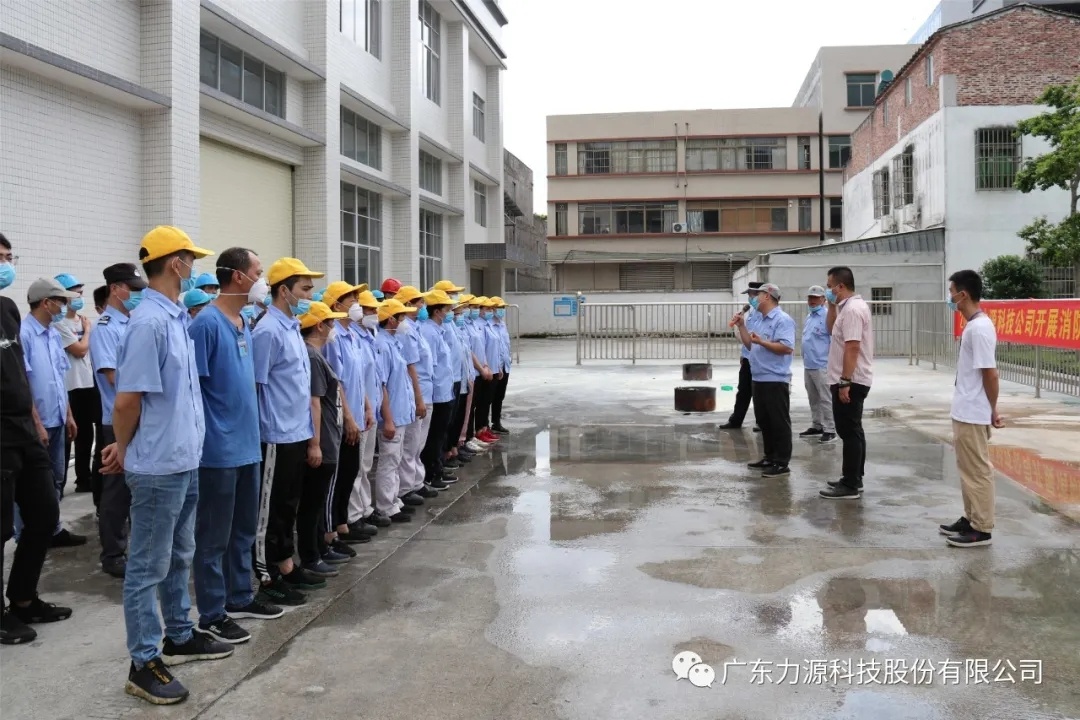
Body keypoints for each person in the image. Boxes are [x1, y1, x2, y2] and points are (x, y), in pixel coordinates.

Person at [102, 226, 233, 705]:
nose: (194, 266)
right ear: (174, 263)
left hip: (183, 457)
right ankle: (143, 661)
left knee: (180, 553)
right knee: (147, 566)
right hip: (158, 465)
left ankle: (178, 634)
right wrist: (124, 448)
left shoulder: (174, 317)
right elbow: (127, 400)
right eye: (190, 259)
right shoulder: (149, 323)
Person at [188, 248, 283, 646]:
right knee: (213, 536)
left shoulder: (243, 322)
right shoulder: (206, 325)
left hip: (247, 444)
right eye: (258, 272)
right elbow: (194, 390)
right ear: (239, 277)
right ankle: (212, 613)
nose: (263, 280)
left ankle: (240, 596)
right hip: (218, 449)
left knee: (243, 529)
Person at [1, 233, 72, 646]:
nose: (6, 265)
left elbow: (19, 374)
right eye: (0, 257)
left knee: (44, 514)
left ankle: (23, 599)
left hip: (24, 431)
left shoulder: (7, 309)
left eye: (8, 257)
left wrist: (35, 422)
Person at [251, 257, 326, 606]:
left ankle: (286, 564)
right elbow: (255, 385)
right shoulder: (267, 331)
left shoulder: (291, 327)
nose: (310, 295)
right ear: (284, 290)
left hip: (296, 432)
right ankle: (267, 576)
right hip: (276, 435)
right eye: (305, 289)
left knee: (288, 506)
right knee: (271, 510)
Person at [89, 264, 148, 578]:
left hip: (140, 414)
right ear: (115, 289)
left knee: (138, 486)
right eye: (133, 289)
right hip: (117, 419)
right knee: (117, 490)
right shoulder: (106, 328)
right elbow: (113, 377)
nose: (138, 295)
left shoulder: (133, 322)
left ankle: (136, 547)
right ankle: (112, 554)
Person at [17, 278, 85, 547]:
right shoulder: (23, 335)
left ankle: (52, 530)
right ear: (46, 303)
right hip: (38, 423)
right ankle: (26, 536)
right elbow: (23, 384)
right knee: (31, 485)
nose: (64, 306)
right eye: (61, 301)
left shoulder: (53, 334)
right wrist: (36, 423)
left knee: (56, 478)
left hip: (57, 419)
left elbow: (59, 378)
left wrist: (68, 415)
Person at [940, 270, 1003, 548]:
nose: (950, 297)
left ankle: (981, 528)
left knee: (977, 470)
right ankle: (971, 517)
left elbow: (990, 373)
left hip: (973, 411)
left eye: (951, 292)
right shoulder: (973, 326)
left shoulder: (980, 328)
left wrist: (993, 409)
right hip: (965, 409)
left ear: (963, 295)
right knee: (967, 469)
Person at [320, 281, 375, 551]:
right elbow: (337, 382)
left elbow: (358, 378)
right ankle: (332, 529)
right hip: (342, 418)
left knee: (351, 470)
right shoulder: (334, 338)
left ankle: (343, 523)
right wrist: (349, 418)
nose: (357, 305)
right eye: (351, 300)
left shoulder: (351, 334)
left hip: (356, 412)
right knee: (339, 475)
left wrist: (366, 406)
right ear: (336, 304)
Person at [297, 301, 350, 578]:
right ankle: (311, 554)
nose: (333, 328)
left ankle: (320, 549)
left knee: (317, 501)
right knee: (312, 503)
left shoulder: (316, 354)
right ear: (319, 326)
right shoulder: (312, 356)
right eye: (330, 323)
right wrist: (315, 443)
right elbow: (314, 402)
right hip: (324, 439)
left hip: (330, 435)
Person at [819, 266, 875, 501]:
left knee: (848, 431)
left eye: (829, 286)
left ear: (840, 286)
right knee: (853, 430)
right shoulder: (846, 308)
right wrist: (832, 305)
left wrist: (845, 381)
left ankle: (850, 483)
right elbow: (831, 329)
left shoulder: (852, 310)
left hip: (850, 380)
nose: (827, 290)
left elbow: (852, 347)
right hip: (849, 378)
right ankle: (854, 478)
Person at [734, 283, 795, 479]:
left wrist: (762, 342)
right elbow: (750, 345)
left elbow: (786, 348)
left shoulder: (782, 320)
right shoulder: (759, 319)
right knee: (764, 421)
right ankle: (769, 457)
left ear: (767, 296)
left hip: (775, 378)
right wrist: (741, 326)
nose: (754, 299)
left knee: (778, 422)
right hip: (758, 376)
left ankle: (782, 462)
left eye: (757, 295)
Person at [55, 273, 102, 496]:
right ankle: (60, 481)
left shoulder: (82, 320)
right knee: (68, 436)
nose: (79, 298)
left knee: (86, 434)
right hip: (69, 385)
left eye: (81, 293)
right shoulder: (59, 323)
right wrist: (88, 332)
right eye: (75, 294)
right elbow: (80, 350)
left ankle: (84, 478)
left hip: (87, 383)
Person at [372, 298, 418, 525]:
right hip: (393, 414)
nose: (404, 321)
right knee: (389, 460)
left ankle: (394, 500)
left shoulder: (393, 342)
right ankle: (385, 506)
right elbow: (382, 385)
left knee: (396, 458)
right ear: (391, 319)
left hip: (402, 411)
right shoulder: (382, 344)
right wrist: (388, 419)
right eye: (401, 317)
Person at [393, 285, 439, 509]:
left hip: (425, 390)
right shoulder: (404, 331)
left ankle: (416, 482)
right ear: (408, 305)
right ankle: (405, 488)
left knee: (418, 443)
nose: (422, 306)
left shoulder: (415, 327)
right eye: (418, 302)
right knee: (411, 445)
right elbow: (410, 367)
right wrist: (418, 398)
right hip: (416, 392)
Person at [346, 289, 386, 533]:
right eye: (369, 309)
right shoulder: (352, 336)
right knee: (357, 468)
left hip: (369, 409)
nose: (373, 313)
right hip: (356, 411)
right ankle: (354, 515)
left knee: (366, 465)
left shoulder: (368, 336)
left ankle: (365, 509)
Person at [417, 289, 456, 488]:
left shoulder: (438, 331)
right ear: (438, 311)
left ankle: (437, 467)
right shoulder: (429, 332)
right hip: (437, 393)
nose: (450, 312)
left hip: (444, 390)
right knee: (434, 437)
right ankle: (431, 473)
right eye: (447, 309)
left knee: (440, 434)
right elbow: (429, 366)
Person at [719, 281, 763, 433]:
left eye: (752, 295)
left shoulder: (766, 314)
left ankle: (762, 422)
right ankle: (736, 420)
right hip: (747, 357)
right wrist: (743, 355)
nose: (750, 298)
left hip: (759, 358)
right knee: (743, 390)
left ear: (761, 295)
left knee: (759, 392)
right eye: (749, 295)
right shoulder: (752, 312)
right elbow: (746, 335)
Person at [799, 285, 836, 444]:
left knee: (826, 398)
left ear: (823, 300)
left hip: (822, 364)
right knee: (813, 398)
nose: (812, 301)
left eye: (815, 298)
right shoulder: (810, 317)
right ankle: (817, 425)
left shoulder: (828, 316)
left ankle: (830, 429)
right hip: (809, 364)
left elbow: (833, 339)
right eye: (810, 298)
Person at [489, 296, 512, 435]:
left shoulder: (502, 324)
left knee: (499, 396)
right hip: (494, 366)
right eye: (499, 307)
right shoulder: (489, 324)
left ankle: (496, 422)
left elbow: (505, 345)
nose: (502, 310)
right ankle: (483, 426)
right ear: (492, 309)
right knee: (489, 397)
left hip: (505, 365)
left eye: (503, 307)